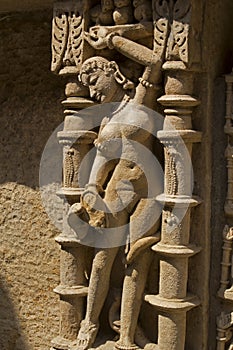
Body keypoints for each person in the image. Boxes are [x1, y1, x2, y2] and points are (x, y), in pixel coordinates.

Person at [68, 55, 162, 350]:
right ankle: (91, 323)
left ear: (112, 70)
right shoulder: (106, 122)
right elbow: (100, 164)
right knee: (102, 261)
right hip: (117, 192)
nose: (92, 91)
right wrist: (91, 191)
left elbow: (154, 59)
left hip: (149, 191)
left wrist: (110, 42)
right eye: (87, 86)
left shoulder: (141, 99)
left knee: (137, 261)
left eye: (94, 81)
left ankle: (127, 335)